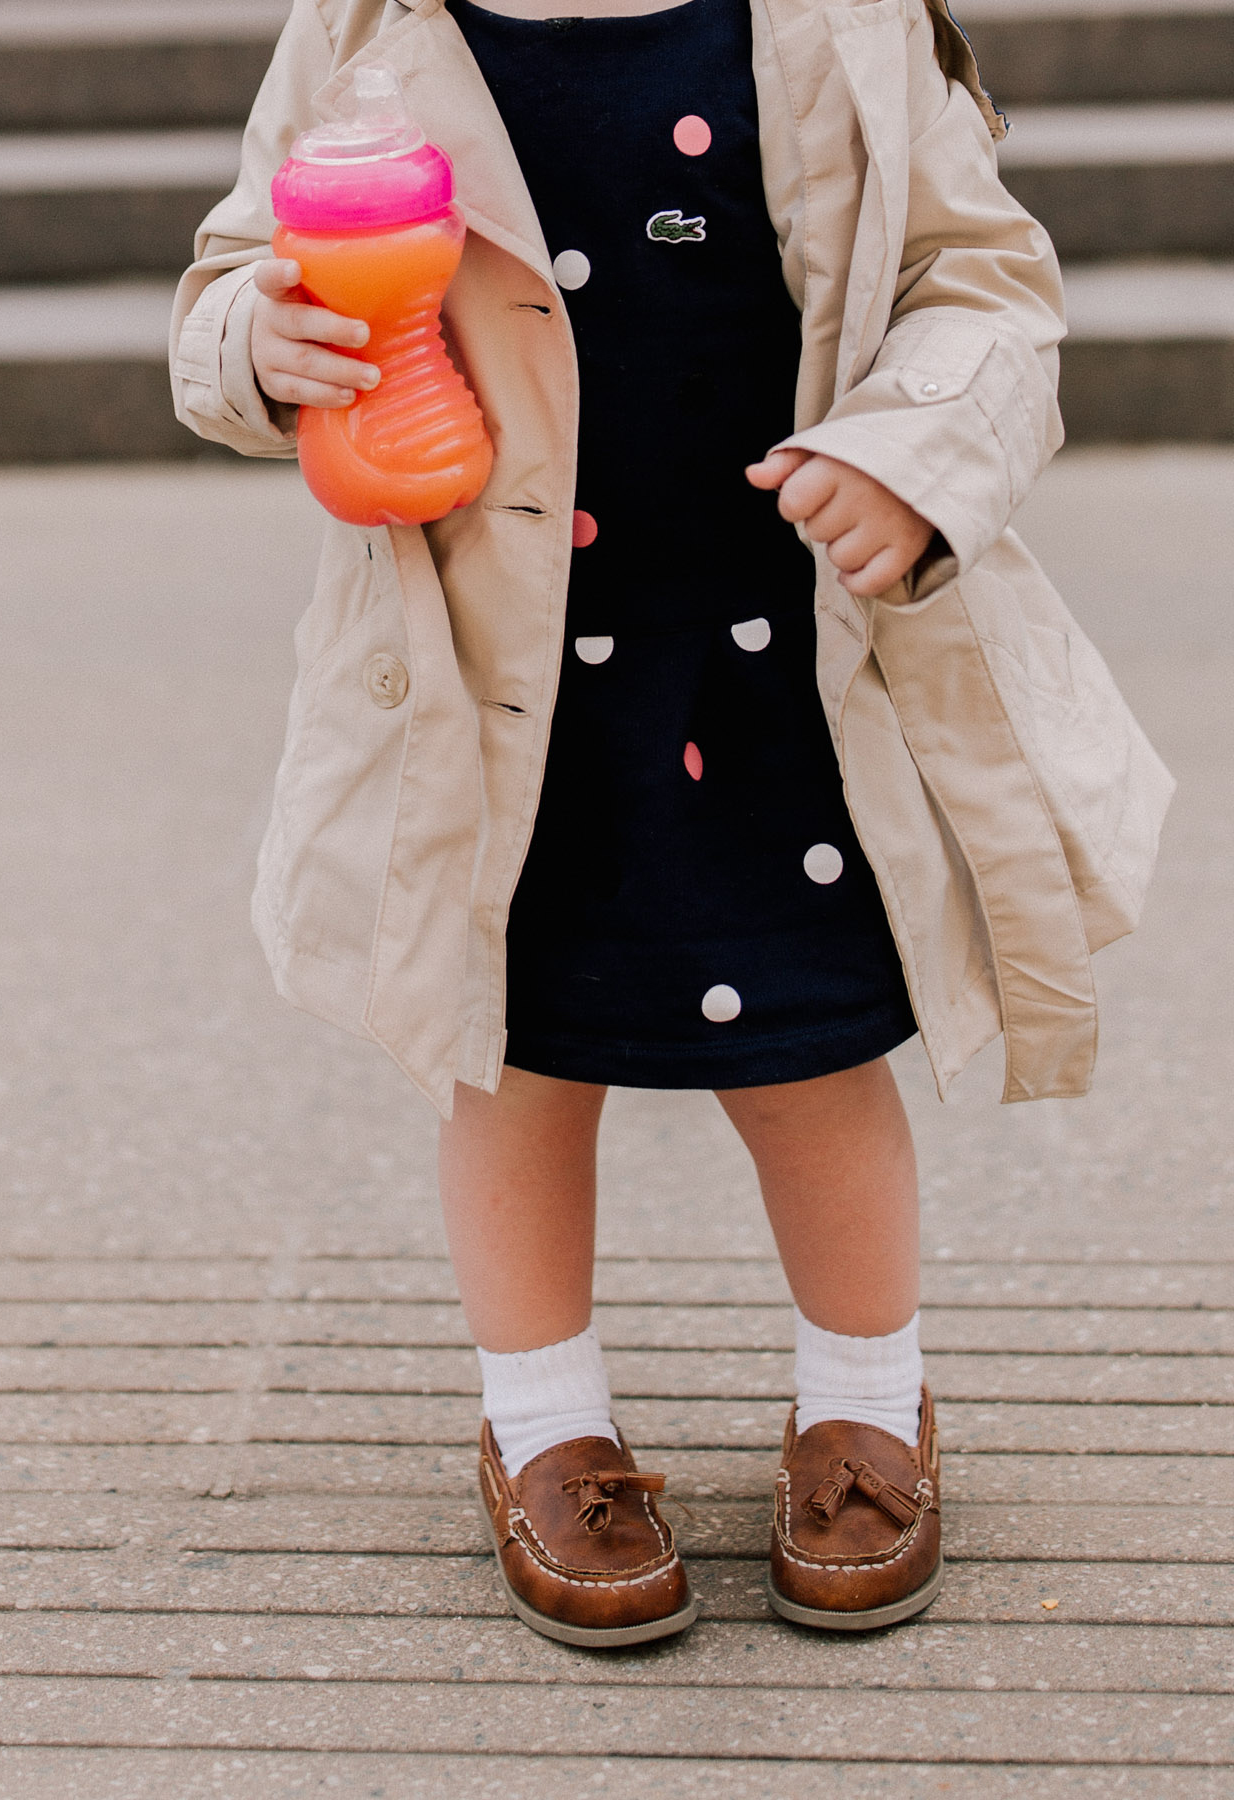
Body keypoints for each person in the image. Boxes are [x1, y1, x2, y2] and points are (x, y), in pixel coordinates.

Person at [170, 0, 1172, 1643]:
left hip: (783, 658)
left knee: (811, 1057)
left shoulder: (839, 24)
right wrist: (259, 347)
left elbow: (982, 282)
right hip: (514, 685)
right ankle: (545, 1423)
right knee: (513, 1060)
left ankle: (867, 1403)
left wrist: (914, 457)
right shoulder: (371, 27)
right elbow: (232, 274)